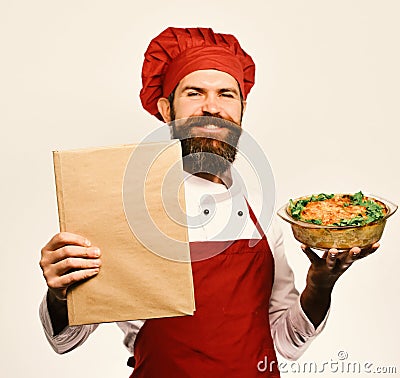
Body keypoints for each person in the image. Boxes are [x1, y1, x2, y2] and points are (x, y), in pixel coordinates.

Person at [39, 27, 379, 377]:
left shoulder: (263, 213)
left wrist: (319, 286)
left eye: (226, 94)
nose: (212, 107)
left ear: (241, 109)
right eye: (194, 92)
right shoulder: (125, 210)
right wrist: (61, 293)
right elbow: (65, 340)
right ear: (166, 109)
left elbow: (286, 341)